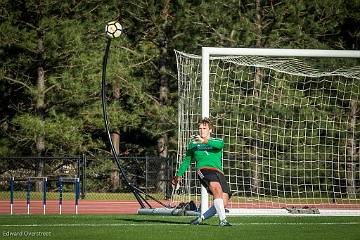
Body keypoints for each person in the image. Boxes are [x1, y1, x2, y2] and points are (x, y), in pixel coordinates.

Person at [172, 117, 232, 227]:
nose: (201, 130)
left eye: (204, 128)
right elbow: (187, 161)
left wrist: (204, 141)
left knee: (223, 202)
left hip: (218, 172)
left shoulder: (216, 141)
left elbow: (220, 145)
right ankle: (223, 220)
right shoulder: (193, 144)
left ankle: (201, 218)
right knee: (215, 187)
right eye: (200, 128)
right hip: (203, 170)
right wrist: (178, 175)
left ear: (210, 130)